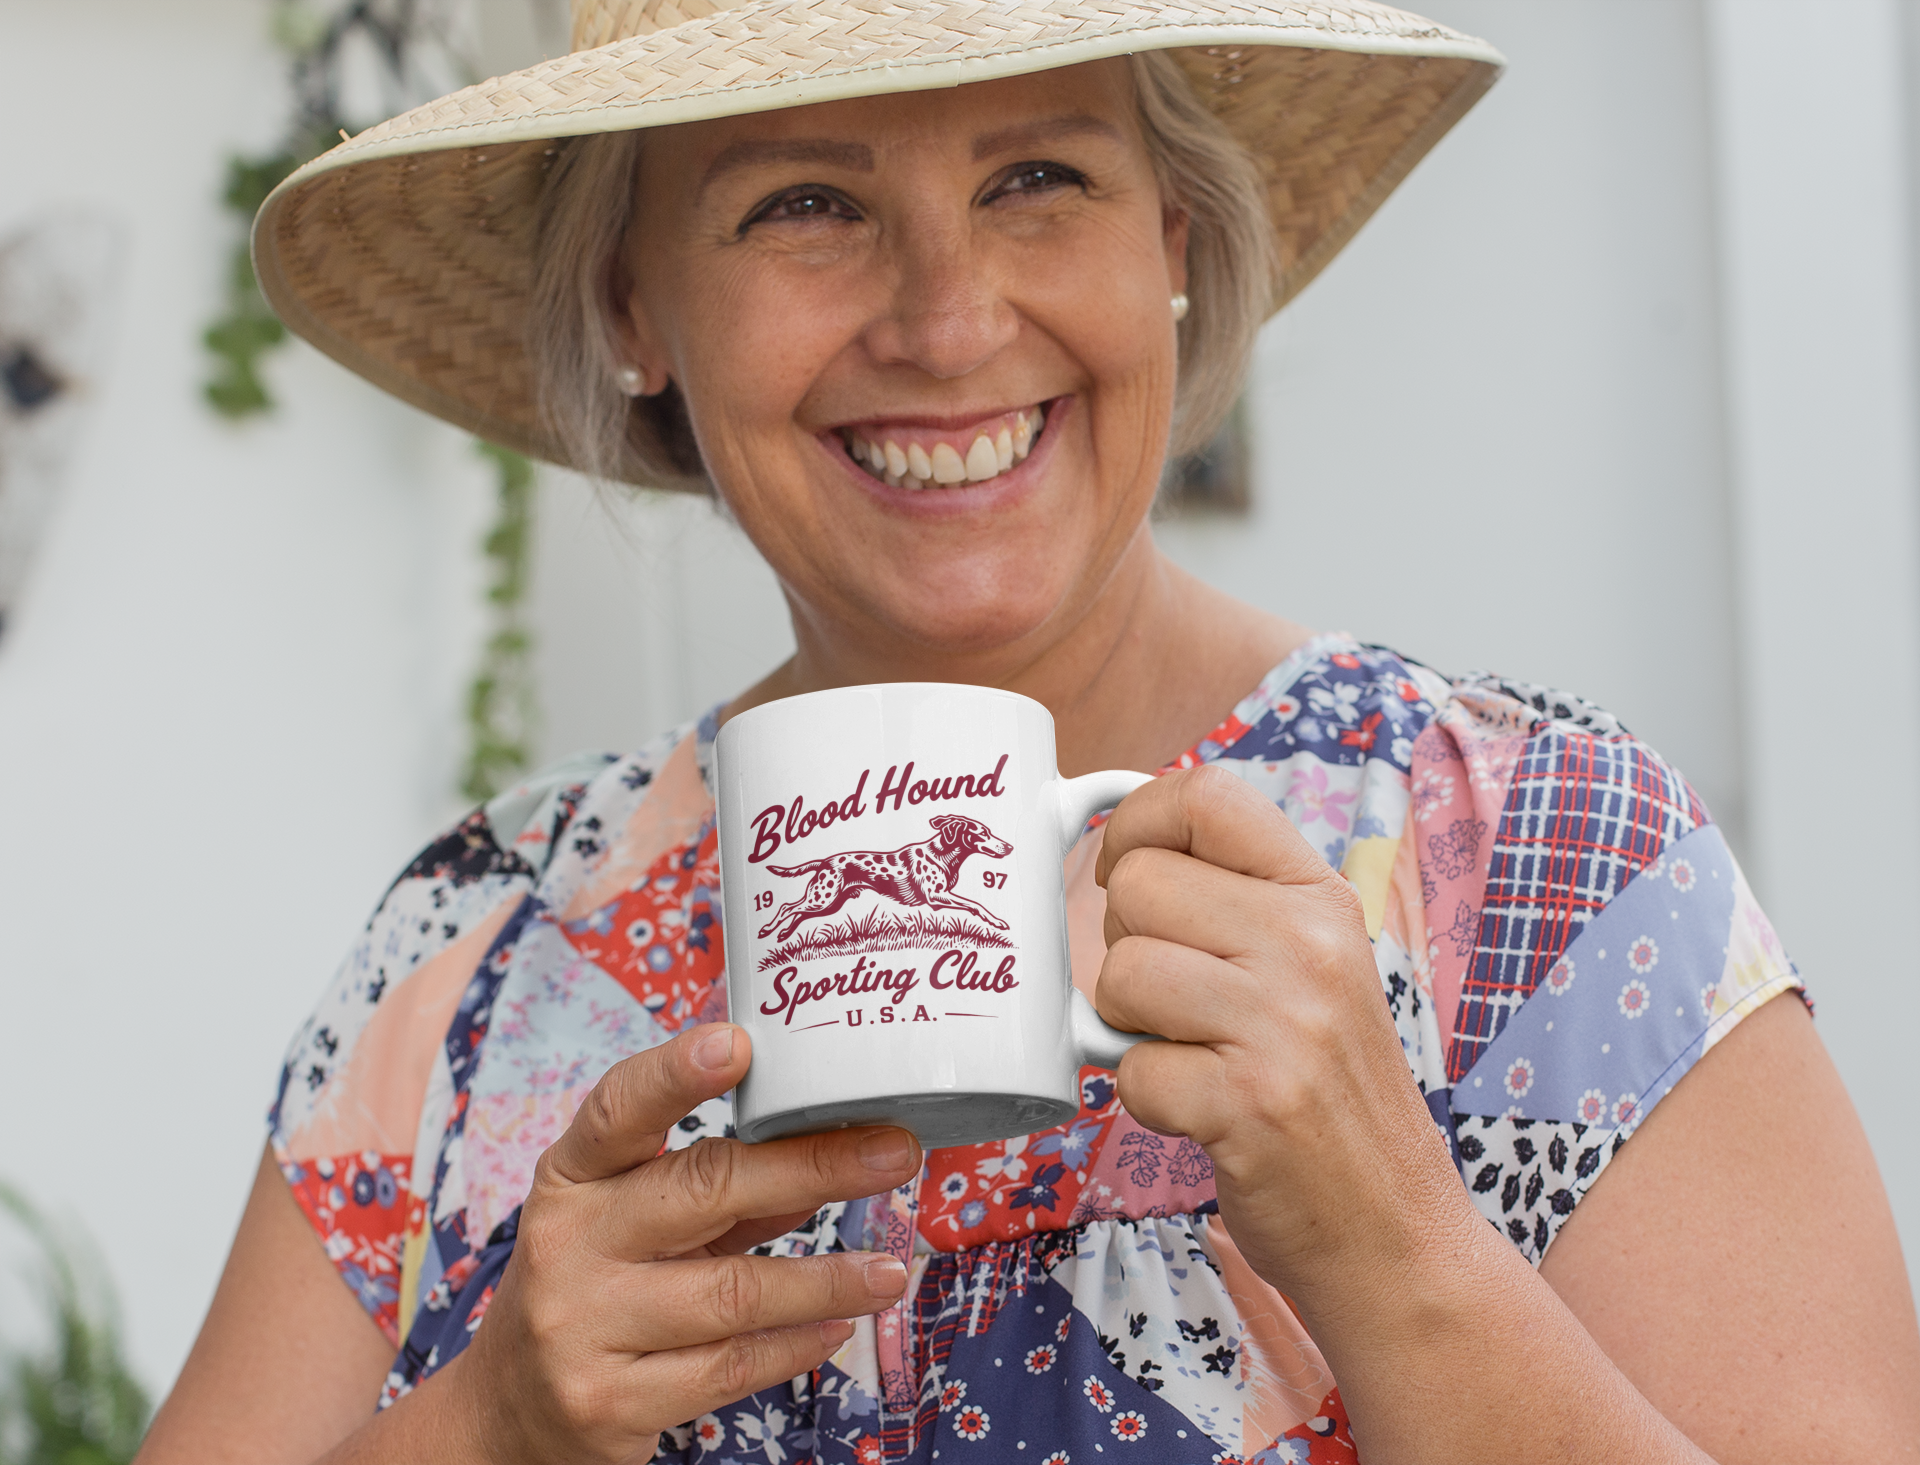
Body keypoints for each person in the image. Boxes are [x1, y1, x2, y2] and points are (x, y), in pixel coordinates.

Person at [137, 1, 1920, 1461]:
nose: (949, 317)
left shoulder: (1525, 856)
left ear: (1175, 240)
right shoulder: (480, 959)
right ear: (632, 309)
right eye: (802, 204)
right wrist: (498, 1425)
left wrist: (1399, 1247)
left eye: (1039, 176)